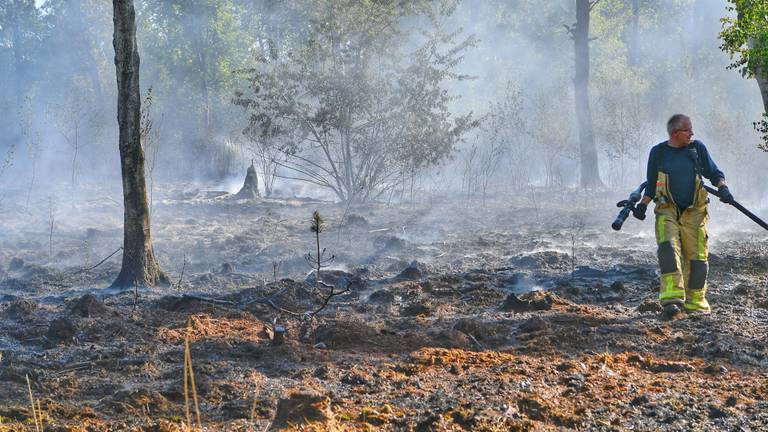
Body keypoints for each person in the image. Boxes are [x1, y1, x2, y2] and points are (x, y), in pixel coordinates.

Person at [633, 114, 733, 319]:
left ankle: (695, 303)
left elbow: (714, 172)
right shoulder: (658, 153)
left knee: (698, 259)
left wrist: (723, 188)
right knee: (667, 249)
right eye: (688, 130)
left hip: (695, 212)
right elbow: (651, 185)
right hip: (666, 208)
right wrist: (642, 205)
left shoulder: (697, 149)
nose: (692, 133)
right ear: (675, 133)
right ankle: (672, 300)